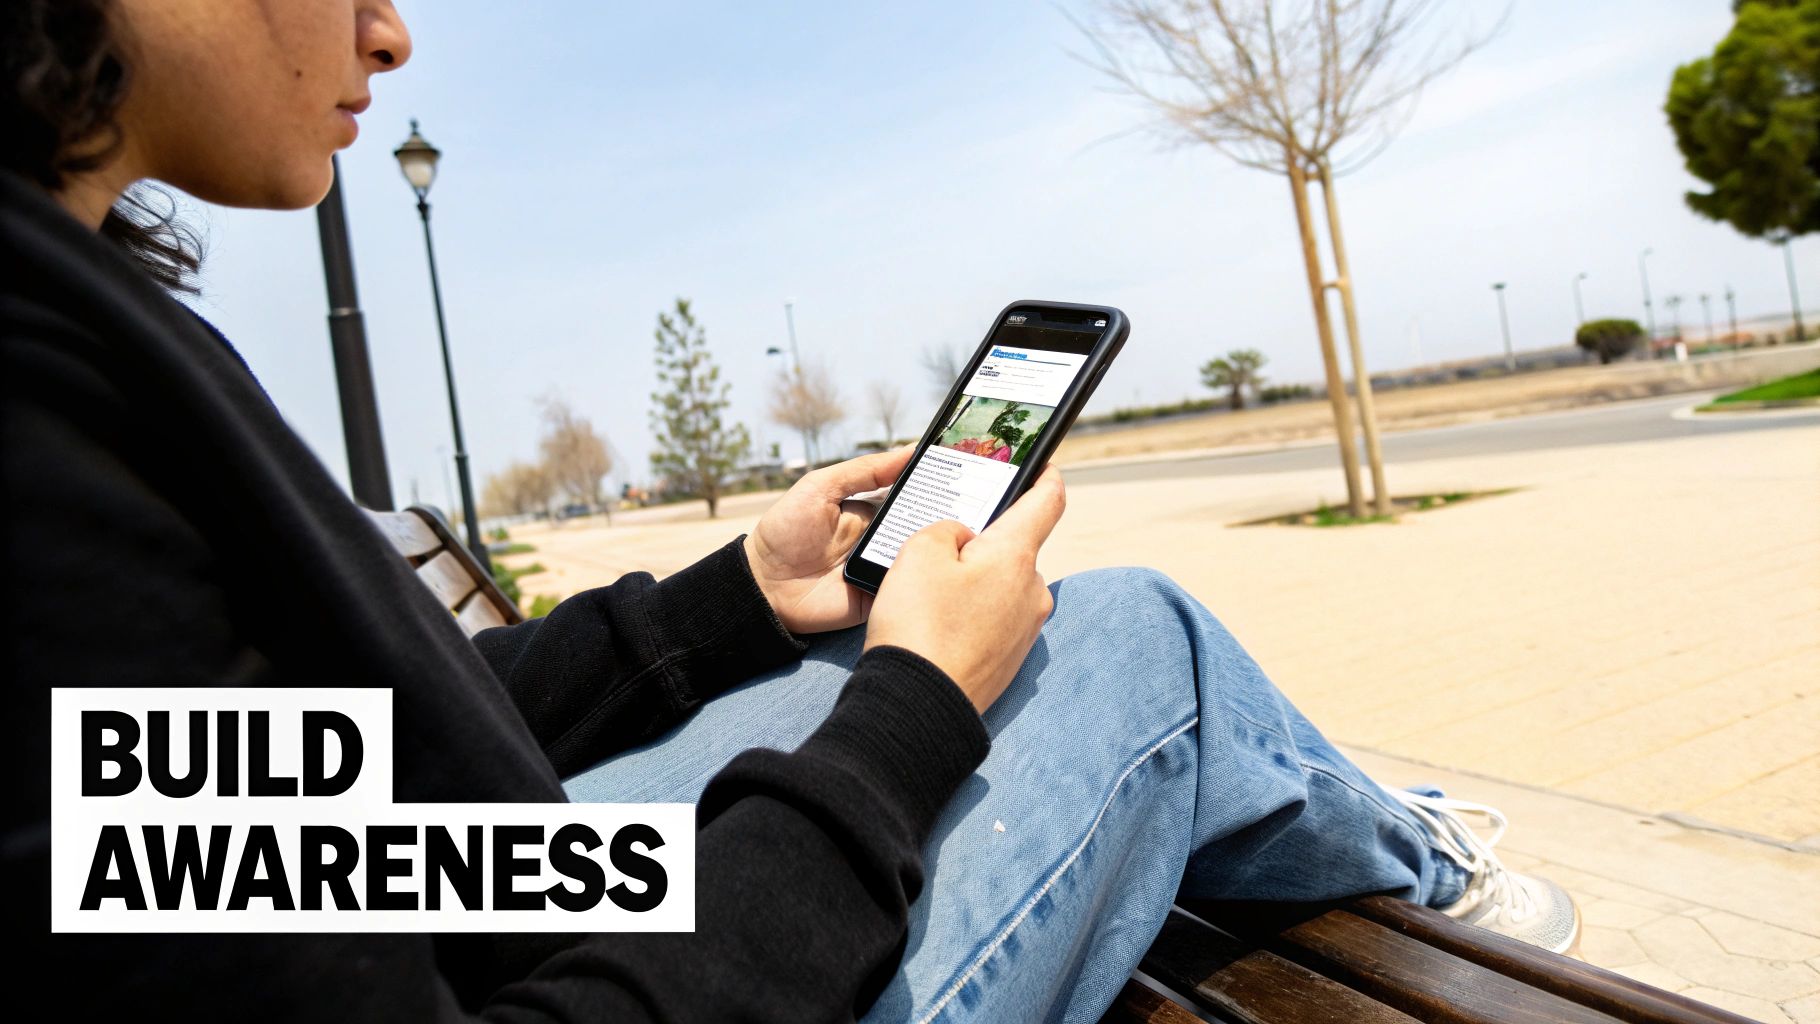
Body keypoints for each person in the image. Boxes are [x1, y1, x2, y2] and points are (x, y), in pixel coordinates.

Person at [0, 1, 1578, 1021]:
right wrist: (903, 718)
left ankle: (1392, 854)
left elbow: (267, 792)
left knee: (898, 659)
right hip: (545, 966)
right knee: (1125, 640)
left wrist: (732, 597)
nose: (390, 31)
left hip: (455, 890)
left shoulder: (66, 326)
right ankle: (1438, 894)